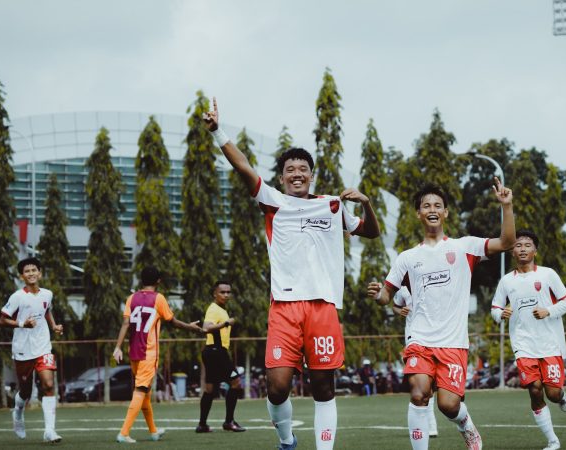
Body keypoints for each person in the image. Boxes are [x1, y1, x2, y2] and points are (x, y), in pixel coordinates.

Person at [205, 98, 381, 450]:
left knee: (323, 387)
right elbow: (243, 168)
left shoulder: (332, 205)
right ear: (282, 176)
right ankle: (287, 440)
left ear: (310, 174)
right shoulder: (272, 201)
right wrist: (218, 132)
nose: (297, 173)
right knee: (277, 386)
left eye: (303, 167)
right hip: (284, 307)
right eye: (290, 169)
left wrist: (365, 203)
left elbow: (372, 232)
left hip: (322, 307)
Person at [369, 181, 515, 450]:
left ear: (446, 212)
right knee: (419, 393)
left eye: (437, 205)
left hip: (453, 344)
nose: (432, 209)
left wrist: (506, 206)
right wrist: (378, 293)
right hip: (419, 340)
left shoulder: (465, 247)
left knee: (448, 405)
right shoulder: (407, 258)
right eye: (426, 206)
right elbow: (386, 297)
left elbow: (506, 242)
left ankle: (465, 424)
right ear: (418, 213)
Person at [492, 229, 566, 450]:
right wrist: (501, 314)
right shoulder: (507, 281)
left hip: (550, 343)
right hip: (523, 345)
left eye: (527, 245)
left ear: (535, 250)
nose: (522, 249)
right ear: (512, 252)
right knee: (535, 389)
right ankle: (552, 440)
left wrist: (549, 311)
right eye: (518, 245)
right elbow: (495, 307)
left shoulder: (548, 275)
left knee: (553, 394)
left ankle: (562, 395)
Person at [113, 266, 207, 443]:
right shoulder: (159, 299)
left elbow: (125, 324)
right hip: (148, 352)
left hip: (132, 351)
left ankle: (153, 432)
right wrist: (191, 327)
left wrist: (117, 347)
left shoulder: (131, 298)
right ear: (158, 281)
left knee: (145, 393)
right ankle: (124, 433)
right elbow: (173, 322)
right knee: (140, 390)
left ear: (141, 280)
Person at [0, 258, 63, 443]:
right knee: (25, 392)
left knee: (49, 385)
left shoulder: (47, 294)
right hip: (23, 350)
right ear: (22, 276)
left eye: (34, 270)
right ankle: (17, 413)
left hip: (43, 346)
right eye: (27, 271)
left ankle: (49, 431)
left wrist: (54, 326)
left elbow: (47, 310)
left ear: (40, 273)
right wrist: (22, 324)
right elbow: (2, 320)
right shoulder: (17, 297)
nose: (31, 273)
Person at [196, 280, 246, 433]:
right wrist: (225, 323)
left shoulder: (221, 309)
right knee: (236, 382)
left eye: (228, 292)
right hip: (217, 352)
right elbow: (206, 328)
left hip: (212, 352)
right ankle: (229, 422)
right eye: (222, 292)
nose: (226, 295)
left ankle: (202, 425)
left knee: (210, 389)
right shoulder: (214, 309)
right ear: (214, 294)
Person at [392, 286, 439, 438]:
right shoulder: (403, 288)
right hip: (414, 340)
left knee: (432, 387)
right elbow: (395, 306)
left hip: (436, 338)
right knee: (420, 388)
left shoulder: (432, 281)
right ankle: (428, 424)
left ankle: (428, 422)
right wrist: (400, 311)